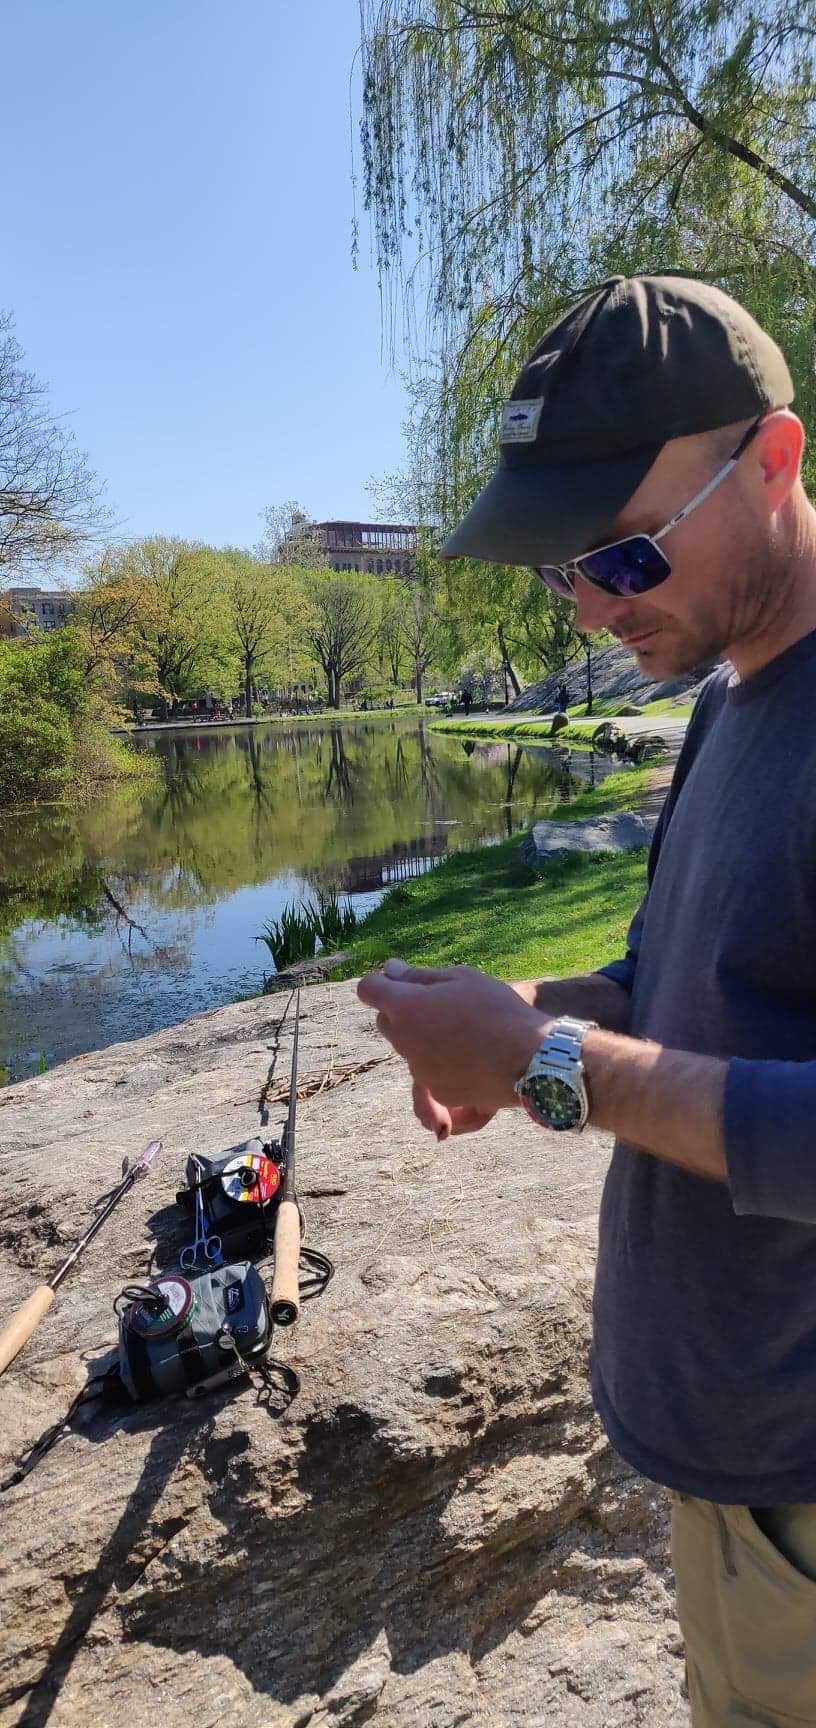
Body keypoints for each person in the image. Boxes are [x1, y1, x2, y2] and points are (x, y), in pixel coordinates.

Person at [358, 274, 816, 1727]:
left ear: (777, 460)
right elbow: (690, 981)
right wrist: (525, 1009)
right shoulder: (727, 695)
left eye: (621, 556)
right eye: (560, 570)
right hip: (733, 1480)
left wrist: (553, 1063)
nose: (589, 604)